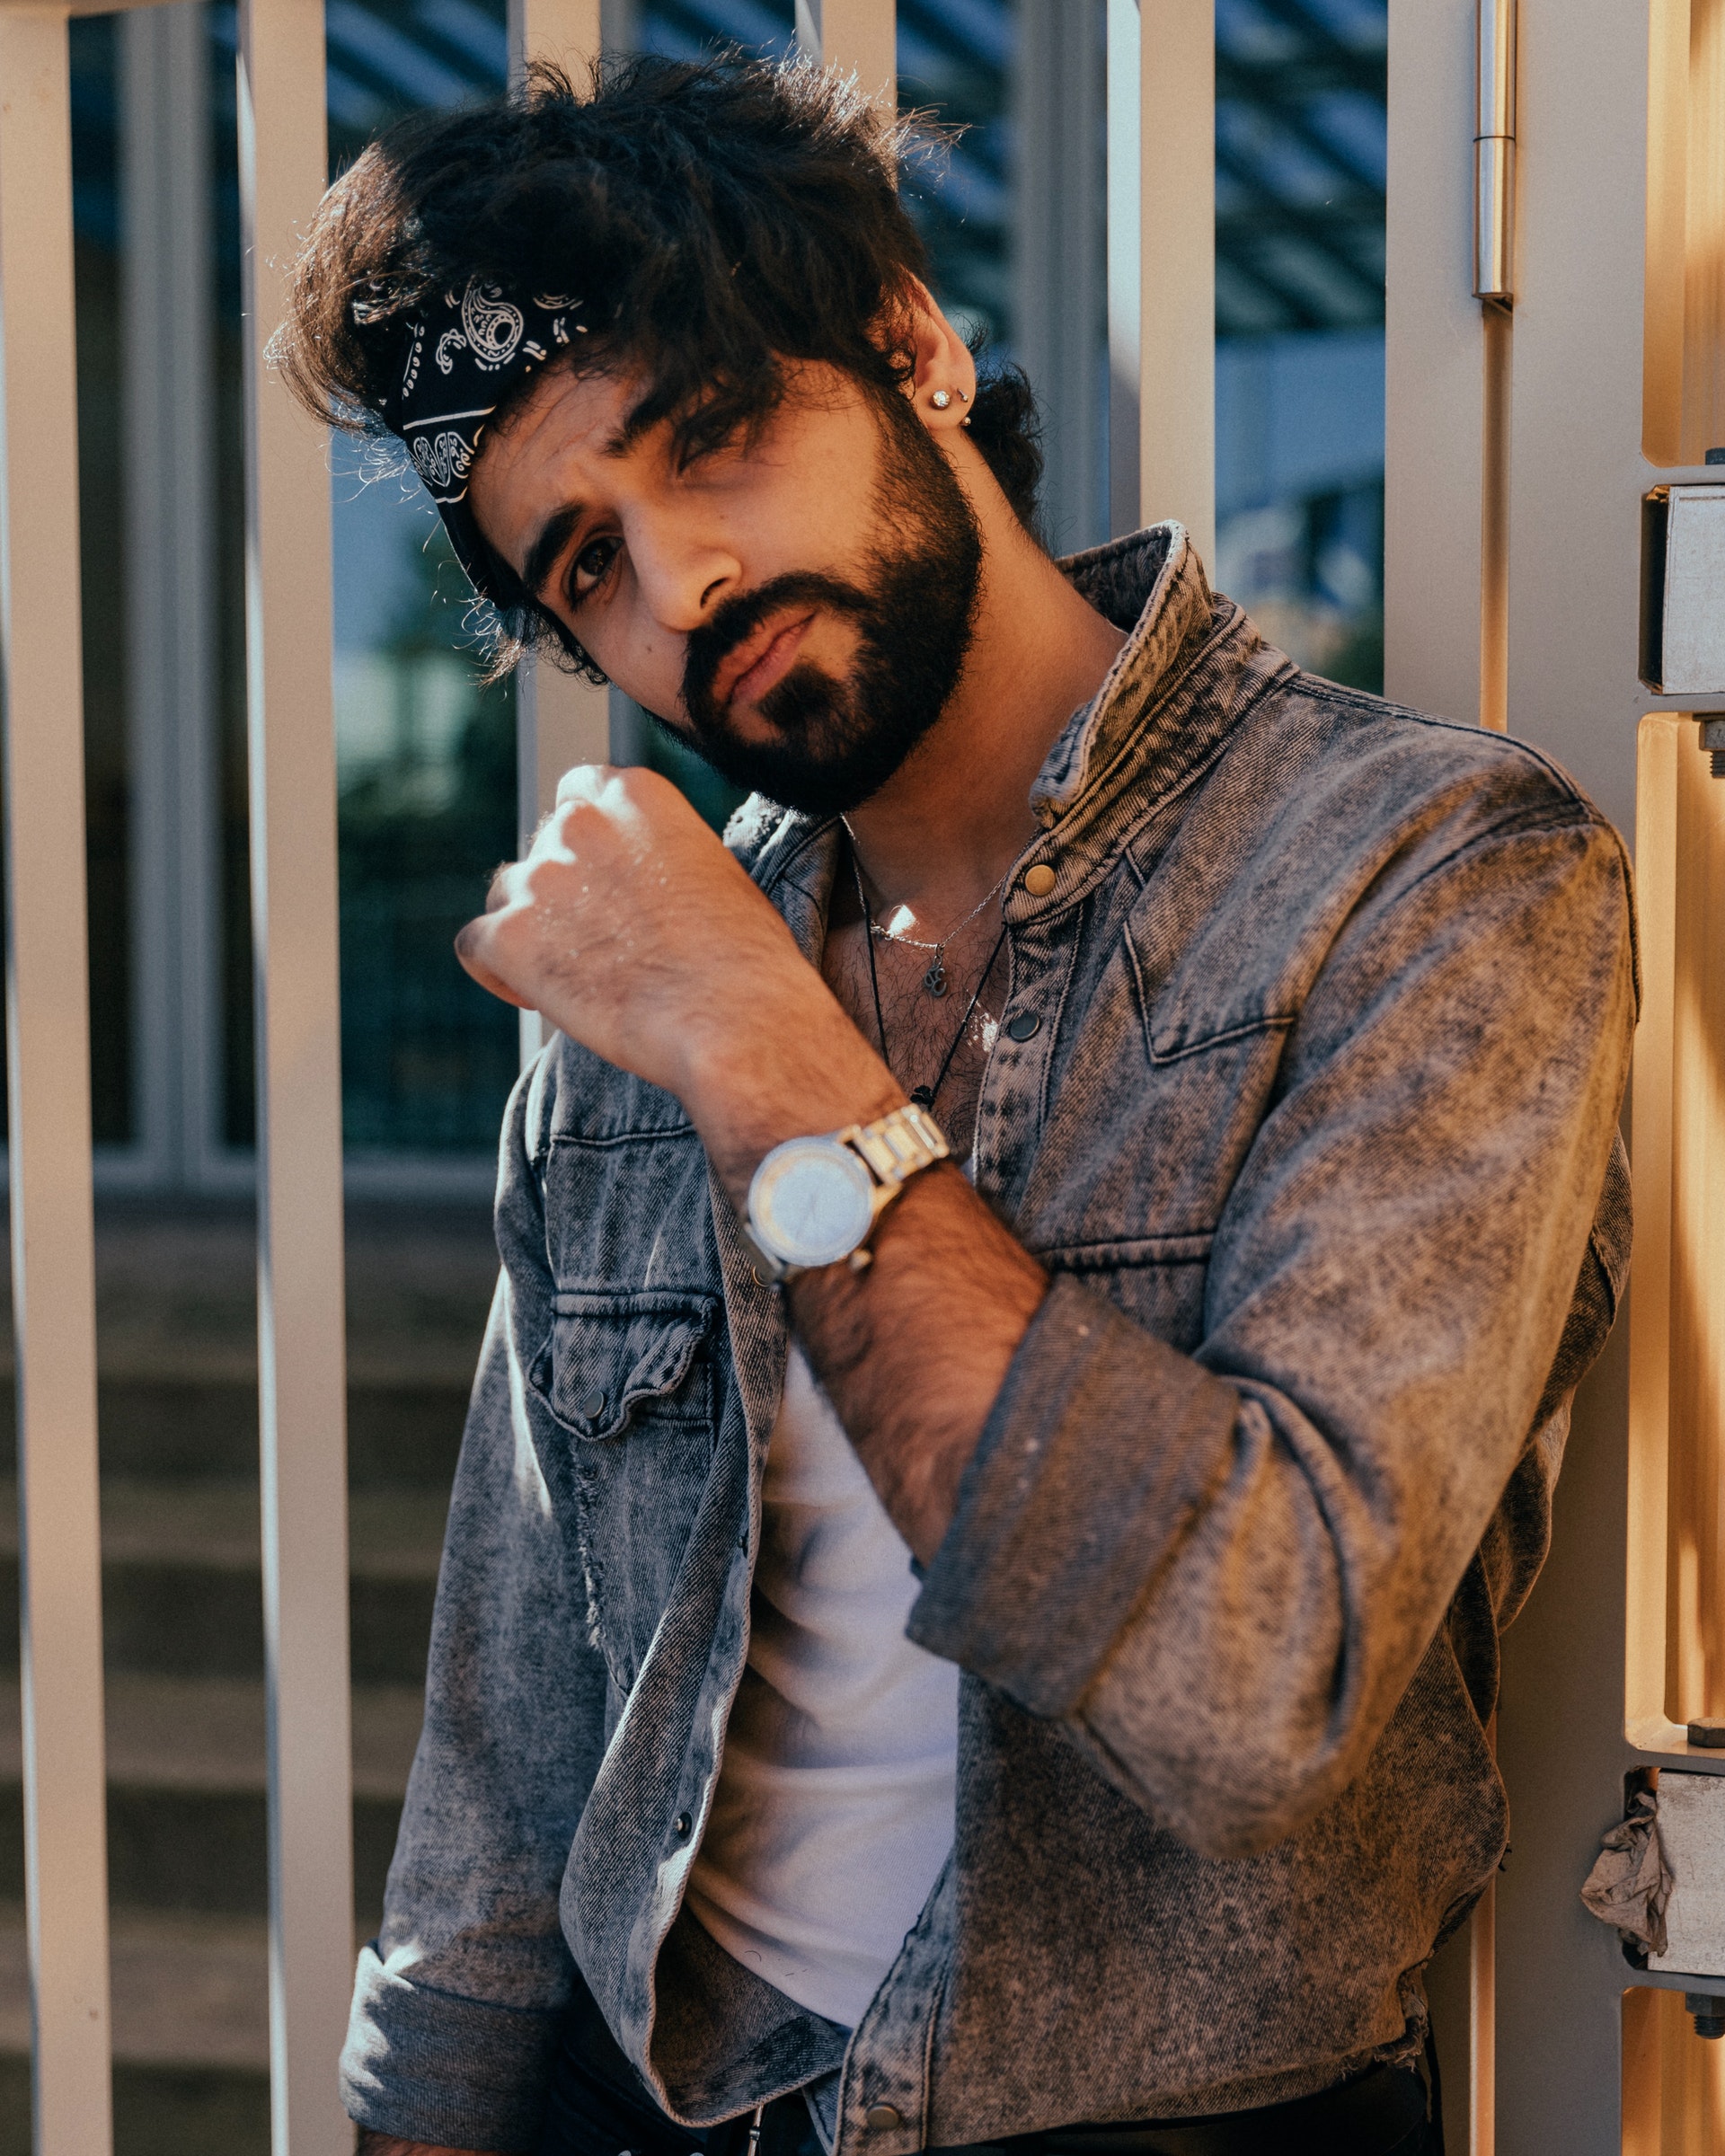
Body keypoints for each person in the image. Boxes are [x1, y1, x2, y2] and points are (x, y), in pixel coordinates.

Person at [278, 53, 1635, 2156]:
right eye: (586, 570)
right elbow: (514, 1737)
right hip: (649, 2104)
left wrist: (773, 1064)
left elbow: (1261, 1689)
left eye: (708, 440)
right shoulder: (649, 985)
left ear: (913, 347)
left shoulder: (1422, 872)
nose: (678, 587)